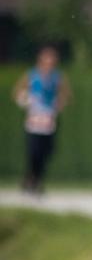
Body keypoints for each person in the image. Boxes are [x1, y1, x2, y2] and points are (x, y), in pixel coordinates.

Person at [12, 45, 72, 195]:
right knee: (33, 151)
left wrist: (60, 103)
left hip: (49, 119)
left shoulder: (58, 77)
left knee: (47, 152)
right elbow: (17, 92)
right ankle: (32, 179)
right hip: (34, 120)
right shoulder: (32, 75)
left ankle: (35, 179)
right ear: (41, 59)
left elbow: (66, 95)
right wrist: (25, 100)